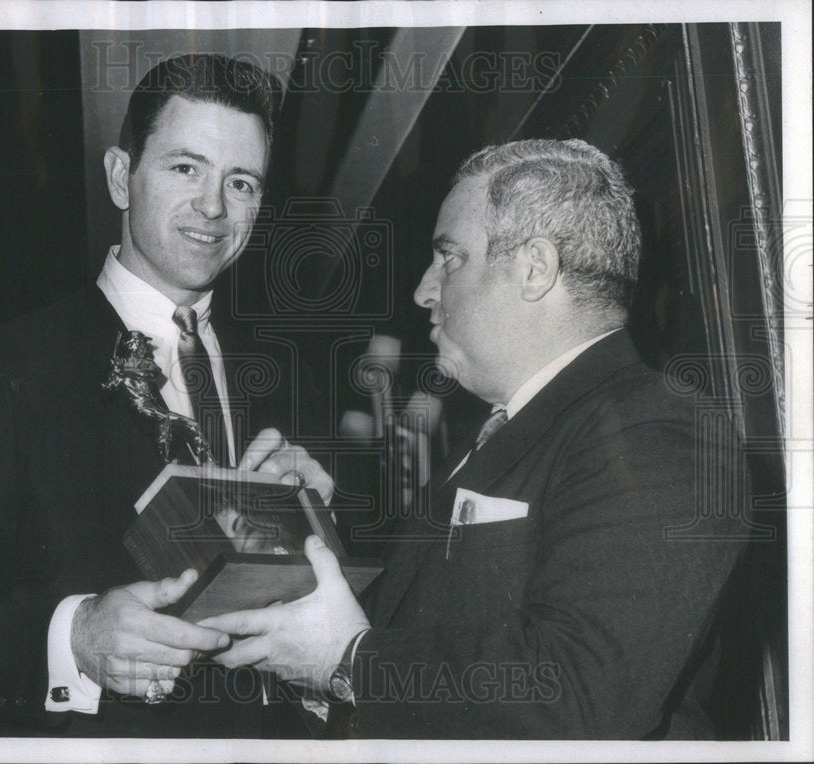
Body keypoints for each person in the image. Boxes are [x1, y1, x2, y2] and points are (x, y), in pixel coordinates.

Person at [201, 139, 750, 739]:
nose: (424, 291)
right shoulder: (493, 435)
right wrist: (306, 540)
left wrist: (351, 661)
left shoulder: (660, 430)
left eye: (449, 258)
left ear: (535, 269)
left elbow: (581, 696)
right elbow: (429, 637)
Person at [0, 54, 330, 737]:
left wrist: (315, 547)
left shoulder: (290, 380)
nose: (214, 207)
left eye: (242, 183)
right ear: (120, 176)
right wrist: (74, 638)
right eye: (185, 167)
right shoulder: (4, 368)